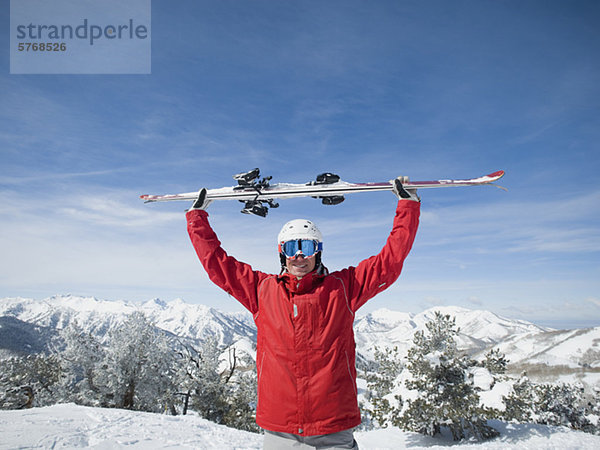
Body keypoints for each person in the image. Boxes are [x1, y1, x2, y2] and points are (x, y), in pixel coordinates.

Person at [186, 177, 420, 449]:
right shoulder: (262, 291)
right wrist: (196, 218)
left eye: (306, 247)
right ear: (281, 252)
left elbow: (389, 262)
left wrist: (408, 206)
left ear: (318, 251)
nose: (299, 255)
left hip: (333, 425)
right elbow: (217, 264)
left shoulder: (344, 288)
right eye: (291, 247)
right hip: (280, 429)